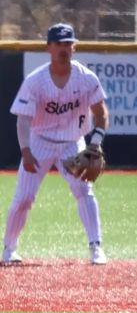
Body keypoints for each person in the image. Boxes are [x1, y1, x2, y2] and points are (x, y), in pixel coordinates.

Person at [2, 23, 109, 266]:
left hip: (72, 142)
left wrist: (95, 143)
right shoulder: (36, 81)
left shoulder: (85, 78)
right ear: (48, 47)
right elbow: (23, 119)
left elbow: (101, 112)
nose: (63, 48)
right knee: (24, 197)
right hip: (40, 142)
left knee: (83, 191)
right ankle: (9, 248)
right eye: (58, 43)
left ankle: (96, 247)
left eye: (67, 43)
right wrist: (26, 151)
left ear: (75, 46)